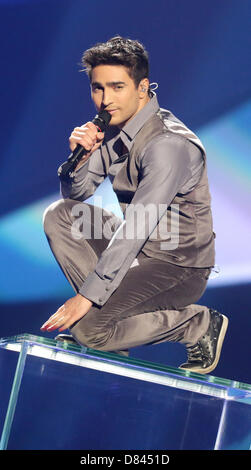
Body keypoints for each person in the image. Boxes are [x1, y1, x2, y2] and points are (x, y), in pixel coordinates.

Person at [41, 36, 228, 374]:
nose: (105, 99)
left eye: (116, 87)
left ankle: (197, 325)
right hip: (141, 249)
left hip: (177, 264)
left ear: (142, 88)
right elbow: (78, 195)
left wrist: (86, 298)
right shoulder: (114, 129)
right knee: (60, 216)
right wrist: (80, 158)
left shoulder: (167, 145)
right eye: (98, 88)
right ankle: (108, 332)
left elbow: (136, 228)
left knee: (88, 330)